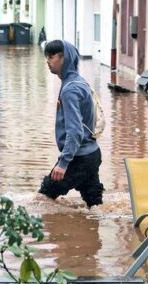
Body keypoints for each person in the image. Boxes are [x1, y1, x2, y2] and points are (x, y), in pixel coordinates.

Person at [39, 40, 104, 207]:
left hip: (79, 158)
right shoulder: (79, 82)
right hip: (92, 153)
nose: (47, 60)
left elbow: (75, 131)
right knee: (95, 206)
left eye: (51, 56)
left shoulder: (70, 90)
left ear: (64, 58)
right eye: (47, 56)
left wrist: (63, 163)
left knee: (44, 198)